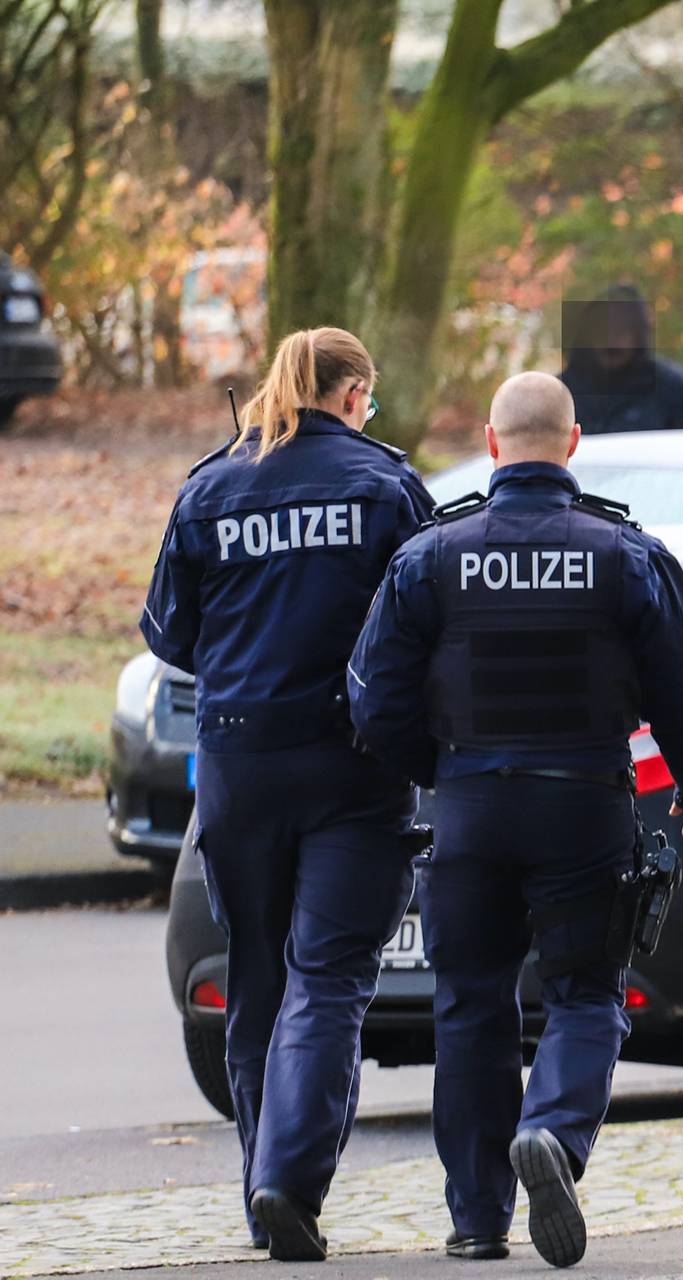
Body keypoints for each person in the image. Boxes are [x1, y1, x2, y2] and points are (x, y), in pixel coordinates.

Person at [346, 371, 683, 1268]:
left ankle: (477, 1219)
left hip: (470, 804)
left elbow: (371, 697)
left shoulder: (430, 556)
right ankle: (554, 1135)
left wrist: (437, 769)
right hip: (584, 802)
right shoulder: (625, 552)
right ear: (572, 442)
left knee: (470, 1006)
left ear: (490, 443)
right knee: (587, 991)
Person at [140, 326, 434, 1261]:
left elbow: (169, 635)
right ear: (353, 396)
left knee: (259, 976)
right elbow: (426, 623)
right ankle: (290, 1181)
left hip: (239, 764)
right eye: (369, 399)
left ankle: (258, 1188)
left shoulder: (210, 489)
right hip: (353, 764)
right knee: (331, 979)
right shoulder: (387, 487)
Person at [557, 283, 683, 434]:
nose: (612, 340)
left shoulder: (673, 389)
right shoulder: (562, 391)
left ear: (638, 335)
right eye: (603, 329)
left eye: (622, 330)